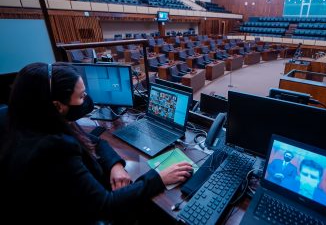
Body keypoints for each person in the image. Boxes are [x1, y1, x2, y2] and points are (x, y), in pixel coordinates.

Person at [0, 62, 193, 224]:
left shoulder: (30, 120)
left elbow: (93, 141)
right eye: (82, 96)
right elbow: (105, 206)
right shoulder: (51, 149)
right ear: (58, 106)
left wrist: (115, 165)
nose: (87, 101)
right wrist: (158, 178)